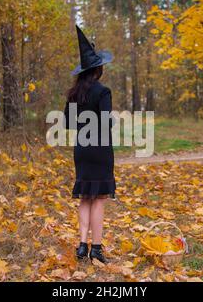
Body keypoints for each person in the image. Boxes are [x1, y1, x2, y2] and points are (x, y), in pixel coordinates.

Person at [64, 25, 115, 264]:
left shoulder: (73, 94)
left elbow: (67, 122)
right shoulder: (103, 91)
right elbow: (105, 123)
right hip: (100, 150)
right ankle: (96, 248)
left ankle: (82, 246)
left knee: (85, 197)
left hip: (82, 149)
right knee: (99, 198)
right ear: (98, 69)